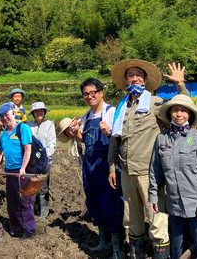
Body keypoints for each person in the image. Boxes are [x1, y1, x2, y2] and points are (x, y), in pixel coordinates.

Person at [107, 60, 187, 259]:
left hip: (149, 174)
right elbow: (115, 139)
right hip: (126, 173)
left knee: (156, 220)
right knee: (132, 221)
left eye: (138, 75)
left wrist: (180, 85)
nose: (134, 78)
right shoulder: (122, 107)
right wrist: (111, 167)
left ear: (145, 79)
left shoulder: (155, 103)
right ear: (125, 80)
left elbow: (181, 111)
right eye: (130, 75)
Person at [61, 78, 124, 258]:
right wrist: (77, 134)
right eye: (86, 94)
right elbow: (86, 141)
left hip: (107, 164)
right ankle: (104, 241)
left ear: (100, 93)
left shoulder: (111, 112)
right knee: (94, 201)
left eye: (92, 93)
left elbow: (119, 139)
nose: (89, 97)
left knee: (111, 202)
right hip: (89, 164)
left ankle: (118, 247)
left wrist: (108, 132)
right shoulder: (87, 116)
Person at [149, 94, 197, 259]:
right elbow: (155, 170)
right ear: (170, 113)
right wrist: (153, 196)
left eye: (183, 111)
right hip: (175, 206)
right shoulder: (162, 139)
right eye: (175, 110)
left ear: (190, 114)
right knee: (178, 251)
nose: (179, 114)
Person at [0, 102, 35, 239]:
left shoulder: (22, 128)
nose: (5, 118)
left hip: (21, 171)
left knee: (25, 202)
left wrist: (23, 168)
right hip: (9, 171)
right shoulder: (4, 134)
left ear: (13, 114)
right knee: (12, 203)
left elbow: (28, 149)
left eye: (7, 114)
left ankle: (28, 230)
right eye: (2, 116)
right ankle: (16, 229)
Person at [27, 101, 56, 219]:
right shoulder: (29, 126)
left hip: (44, 162)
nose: (39, 113)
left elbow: (52, 144)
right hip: (31, 162)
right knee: (32, 187)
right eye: (36, 111)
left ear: (44, 112)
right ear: (33, 113)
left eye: (41, 111)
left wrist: (41, 156)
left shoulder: (49, 124)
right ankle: (34, 209)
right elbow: (27, 142)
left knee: (43, 187)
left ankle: (44, 212)